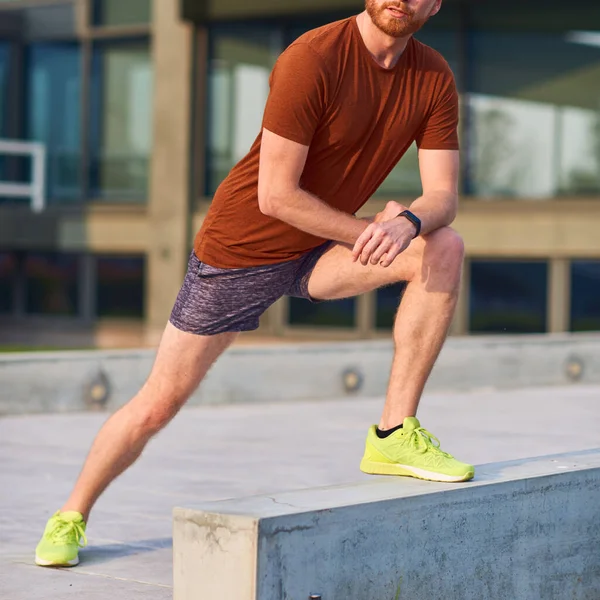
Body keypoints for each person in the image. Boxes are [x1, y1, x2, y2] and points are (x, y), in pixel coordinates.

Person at [35, 0, 474, 568]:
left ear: (435, 4)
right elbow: (276, 194)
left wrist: (406, 223)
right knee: (157, 404)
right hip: (240, 253)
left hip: (321, 250)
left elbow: (443, 197)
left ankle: (393, 432)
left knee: (442, 247)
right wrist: (370, 230)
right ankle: (70, 515)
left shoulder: (433, 76)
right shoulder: (312, 57)